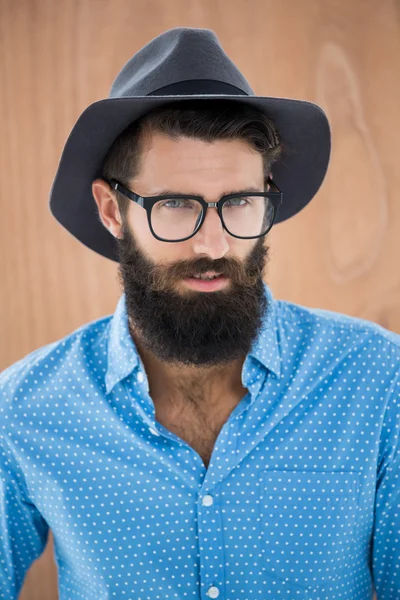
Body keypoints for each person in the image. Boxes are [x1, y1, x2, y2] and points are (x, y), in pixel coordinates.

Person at [0, 27, 398, 600]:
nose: (213, 245)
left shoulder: (378, 381)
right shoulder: (24, 410)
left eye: (238, 202)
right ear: (113, 211)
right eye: (176, 205)